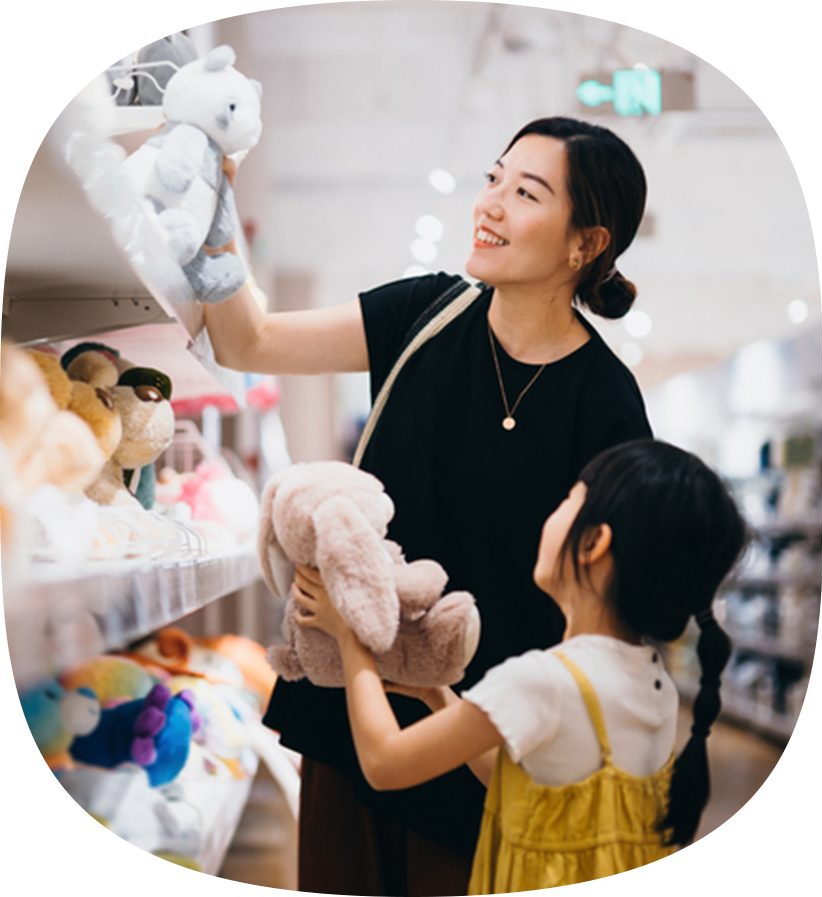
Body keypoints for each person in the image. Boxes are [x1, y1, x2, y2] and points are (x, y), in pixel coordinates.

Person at [203, 116, 654, 895]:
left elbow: (611, 615)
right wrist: (206, 210)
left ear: (585, 243)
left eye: (526, 191)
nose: (492, 203)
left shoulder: (608, 403)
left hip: (490, 742)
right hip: (351, 700)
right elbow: (251, 342)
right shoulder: (426, 315)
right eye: (493, 178)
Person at [290, 439, 749, 892]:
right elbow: (530, 785)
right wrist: (437, 696)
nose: (554, 510)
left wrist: (351, 632)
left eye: (571, 499)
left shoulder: (542, 681)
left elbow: (384, 763)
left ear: (594, 542)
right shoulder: (654, 683)